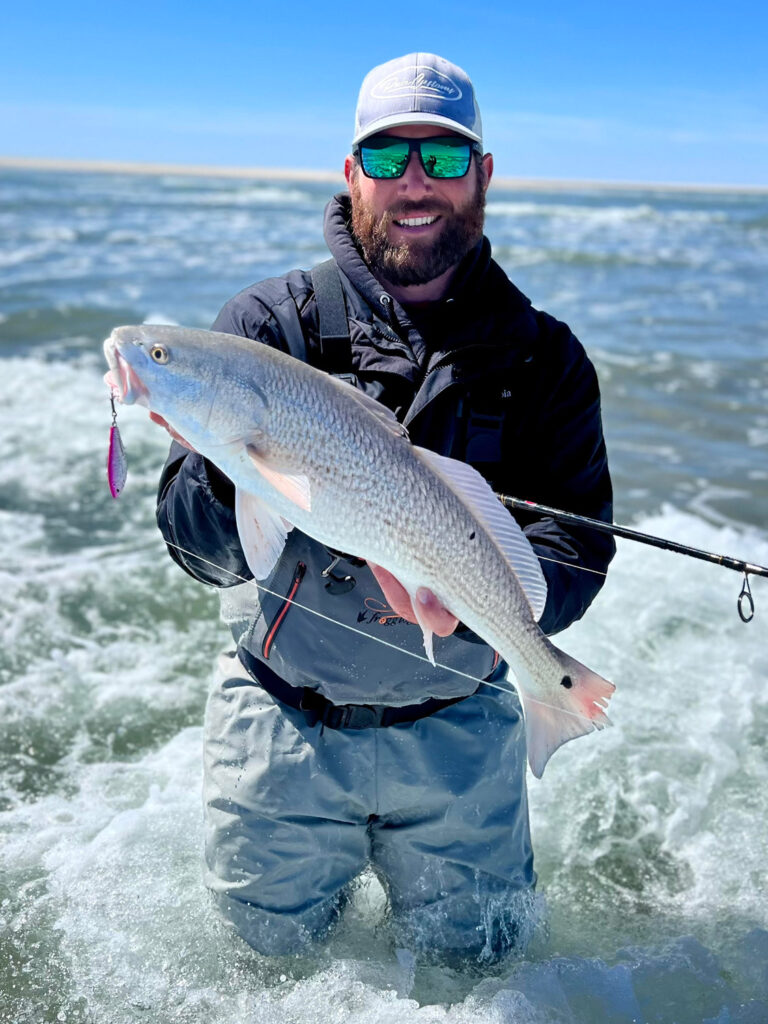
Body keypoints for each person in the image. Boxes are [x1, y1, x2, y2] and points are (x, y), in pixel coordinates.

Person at [155, 53, 614, 962]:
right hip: (279, 719)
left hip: (463, 729)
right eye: (388, 156)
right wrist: (238, 461)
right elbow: (200, 552)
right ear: (350, 171)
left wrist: (491, 613)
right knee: (263, 979)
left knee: (477, 981)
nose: (415, 182)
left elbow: (577, 538)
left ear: (483, 174)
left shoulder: (546, 357)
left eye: (443, 160)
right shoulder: (260, 328)